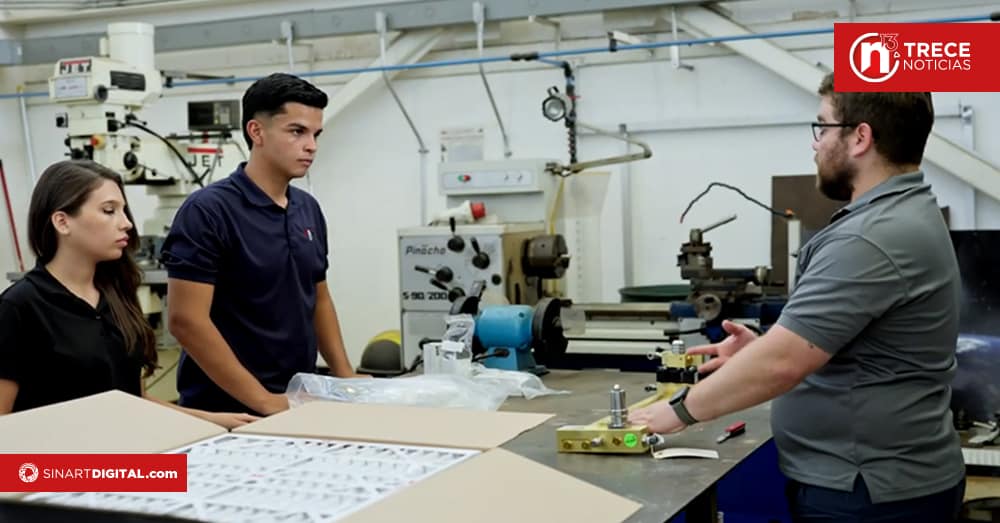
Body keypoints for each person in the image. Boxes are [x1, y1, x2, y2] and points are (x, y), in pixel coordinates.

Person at [630, 73, 966, 522]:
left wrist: (677, 413)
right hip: (880, 481)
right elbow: (841, 344)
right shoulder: (902, 213)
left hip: (868, 494)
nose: (815, 143)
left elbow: (784, 364)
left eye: (823, 127)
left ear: (860, 137)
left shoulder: (871, 237)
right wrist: (762, 348)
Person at [0, 160, 257, 430]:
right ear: (62, 222)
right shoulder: (19, 307)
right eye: (109, 211)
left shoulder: (116, 296)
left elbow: (132, 398)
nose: (126, 224)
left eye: (124, 211)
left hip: (127, 455)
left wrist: (211, 420)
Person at [162, 73, 362, 417]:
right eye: (297, 131)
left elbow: (319, 298)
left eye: (316, 134)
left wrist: (347, 377)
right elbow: (185, 320)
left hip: (298, 400)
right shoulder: (208, 211)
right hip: (228, 410)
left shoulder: (307, 209)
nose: (311, 145)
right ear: (257, 132)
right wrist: (263, 400)